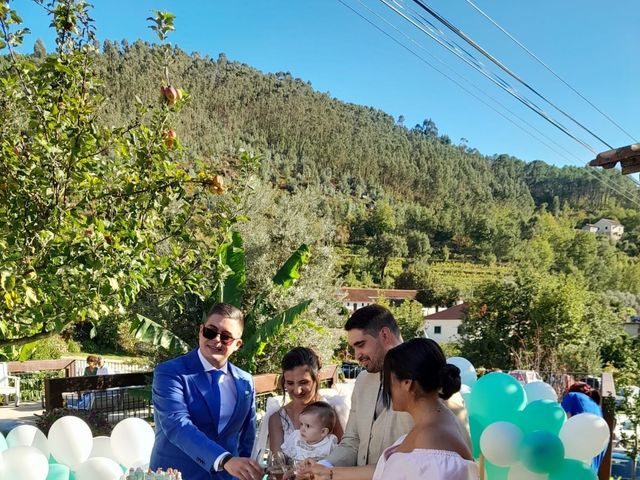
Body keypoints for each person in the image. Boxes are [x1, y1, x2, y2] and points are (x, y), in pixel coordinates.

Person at [305, 338, 478, 480]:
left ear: (407, 384)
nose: (386, 390)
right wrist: (326, 472)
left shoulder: (432, 440)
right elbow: (385, 470)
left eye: (388, 382)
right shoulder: (431, 424)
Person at [150, 303, 263, 480]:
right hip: (178, 475)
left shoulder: (246, 381)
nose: (216, 340)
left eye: (226, 337)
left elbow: (247, 438)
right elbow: (177, 425)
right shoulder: (170, 372)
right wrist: (224, 460)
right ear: (201, 331)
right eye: (210, 332)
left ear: (237, 344)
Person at [269, 347, 344, 454]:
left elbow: (346, 456)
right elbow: (276, 464)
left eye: (303, 382)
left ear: (317, 378)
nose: (297, 390)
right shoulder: (277, 419)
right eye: (290, 383)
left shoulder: (333, 412)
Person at [561, 381, 605, 473]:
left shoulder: (571, 396)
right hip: (590, 471)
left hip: (574, 465)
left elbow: (563, 423)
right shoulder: (598, 409)